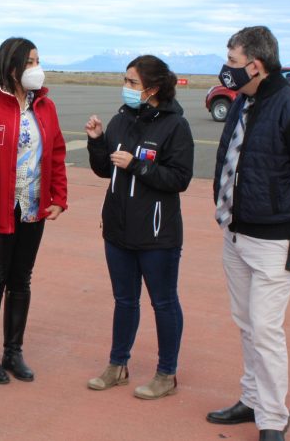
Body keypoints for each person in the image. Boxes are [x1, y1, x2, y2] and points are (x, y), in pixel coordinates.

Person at [206, 26, 290, 441]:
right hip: (235, 233)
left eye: (231, 62)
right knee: (246, 323)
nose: (226, 70)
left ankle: (273, 420)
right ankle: (252, 399)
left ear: (255, 65)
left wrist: (288, 218)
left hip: (274, 240)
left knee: (265, 328)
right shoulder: (245, 100)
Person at [84, 55, 194, 400]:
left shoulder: (175, 126)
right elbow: (105, 170)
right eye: (126, 81)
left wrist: (137, 167)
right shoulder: (121, 118)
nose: (127, 88)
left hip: (157, 234)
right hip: (118, 229)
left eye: (133, 83)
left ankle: (166, 373)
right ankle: (117, 366)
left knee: (163, 302)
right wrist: (97, 141)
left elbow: (179, 178)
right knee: (124, 300)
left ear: (153, 88)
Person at [0, 37, 68, 385]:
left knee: (21, 279)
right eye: (30, 62)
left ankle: (13, 351)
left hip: (32, 208)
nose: (37, 68)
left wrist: (58, 196)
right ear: (11, 68)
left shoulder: (46, 108)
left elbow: (55, 154)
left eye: (38, 60)